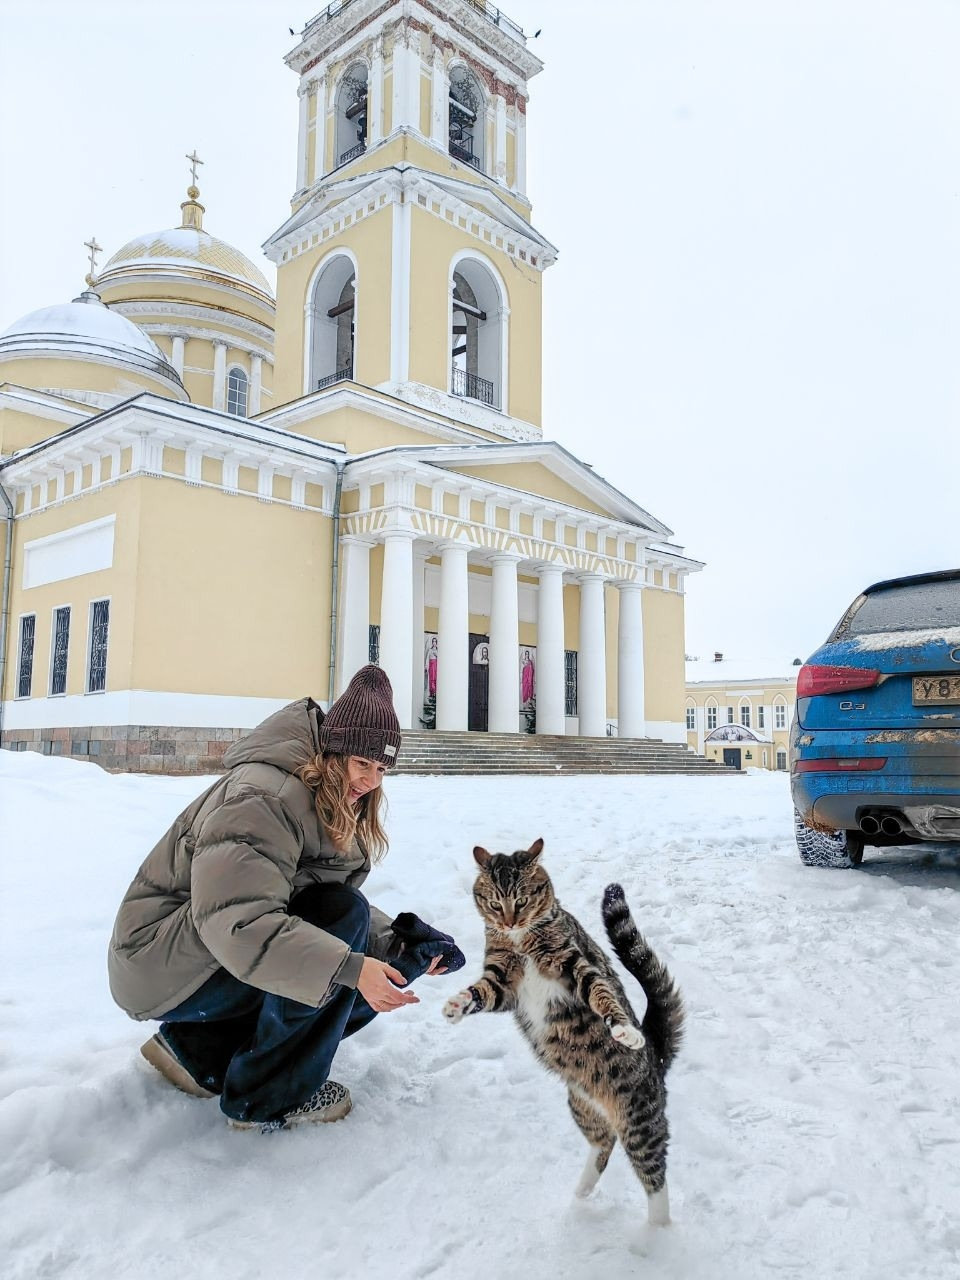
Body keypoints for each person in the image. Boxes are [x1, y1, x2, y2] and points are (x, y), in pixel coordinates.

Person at [107, 665, 464, 1132]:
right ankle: (266, 1097)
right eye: (363, 763)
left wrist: (401, 945)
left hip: (191, 954)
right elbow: (238, 921)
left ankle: (194, 1054)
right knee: (336, 962)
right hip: (156, 960)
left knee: (349, 952)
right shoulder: (266, 796)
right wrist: (350, 966)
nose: (372, 780)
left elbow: (311, 900)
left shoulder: (323, 796)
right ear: (334, 751)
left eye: (382, 768)